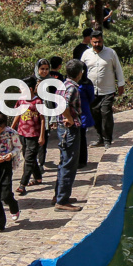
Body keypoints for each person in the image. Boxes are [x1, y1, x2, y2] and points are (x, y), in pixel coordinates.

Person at [52, 59, 84, 211]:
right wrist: (70, 118)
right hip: (69, 130)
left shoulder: (63, 85)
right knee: (69, 164)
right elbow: (64, 104)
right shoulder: (72, 88)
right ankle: (62, 201)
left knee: (63, 161)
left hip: (61, 129)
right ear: (79, 73)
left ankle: (58, 195)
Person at [84, 31, 124, 146]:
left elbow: (118, 69)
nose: (97, 44)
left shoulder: (111, 53)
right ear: (91, 41)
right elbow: (81, 70)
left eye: (99, 41)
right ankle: (100, 137)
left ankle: (107, 139)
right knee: (95, 115)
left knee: (106, 113)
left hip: (107, 90)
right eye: (94, 42)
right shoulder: (86, 54)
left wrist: (121, 84)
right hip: (92, 91)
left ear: (103, 41)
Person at [12, 83, 46, 193]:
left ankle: (23, 184)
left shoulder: (38, 102)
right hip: (22, 133)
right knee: (28, 157)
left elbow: (42, 119)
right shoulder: (21, 100)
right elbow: (18, 114)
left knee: (28, 159)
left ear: (30, 89)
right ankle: (38, 177)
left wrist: (42, 135)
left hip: (34, 135)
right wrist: (12, 128)